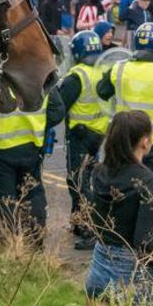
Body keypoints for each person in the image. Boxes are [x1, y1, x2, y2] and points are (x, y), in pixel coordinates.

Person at [83, 111, 153, 306]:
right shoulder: (149, 181)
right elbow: (144, 244)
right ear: (145, 142)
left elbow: (114, 209)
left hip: (98, 269)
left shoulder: (99, 172)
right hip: (130, 278)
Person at [98, 22, 153, 191]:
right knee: (149, 196)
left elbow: (102, 91)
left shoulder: (120, 68)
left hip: (122, 139)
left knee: (120, 191)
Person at [0, 88, 66, 246]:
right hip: (31, 146)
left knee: (5, 198)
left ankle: (11, 243)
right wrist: (39, 124)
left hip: (3, 149)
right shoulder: (38, 76)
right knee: (34, 192)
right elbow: (57, 111)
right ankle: (35, 240)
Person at [60, 31, 110, 251]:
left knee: (78, 183)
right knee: (86, 178)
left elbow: (60, 105)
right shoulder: (103, 72)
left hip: (80, 135)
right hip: (98, 135)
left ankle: (92, 227)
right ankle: (79, 222)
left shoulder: (76, 75)